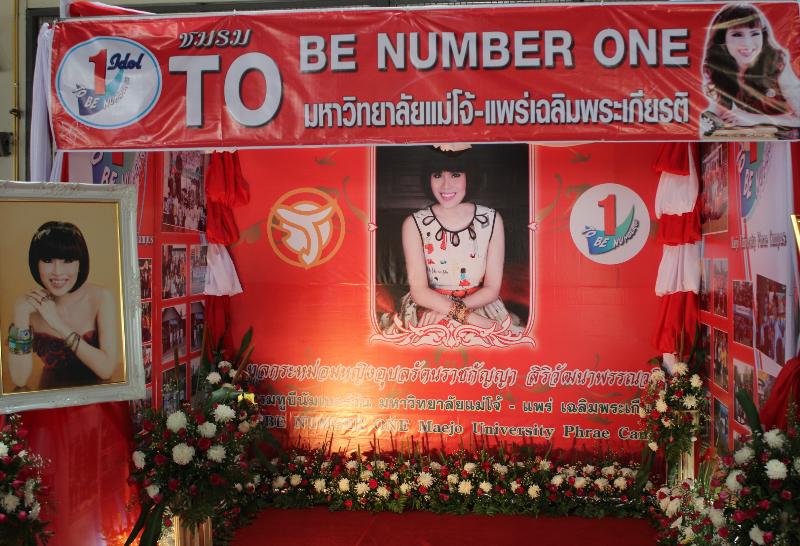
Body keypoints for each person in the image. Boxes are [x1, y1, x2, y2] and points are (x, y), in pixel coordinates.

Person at [383, 147, 521, 333]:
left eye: (455, 175)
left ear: (470, 176)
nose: (446, 185)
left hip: (477, 302)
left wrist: (452, 312)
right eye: (437, 175)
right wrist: (471, 318)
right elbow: (419, 291)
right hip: (430, 305)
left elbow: (491, 288)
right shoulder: (413, 223)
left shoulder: (492, 219)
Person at [6, 221, 120, 390]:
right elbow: (19, 379)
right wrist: (20, 315)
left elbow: (106, 370)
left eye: (67, 260)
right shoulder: (27, 306)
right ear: (36, 263)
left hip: (99, 399)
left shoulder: (101, 298)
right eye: (47, 260)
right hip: (52, 396)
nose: (58, 272)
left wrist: (57, 323)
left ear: (80, 263)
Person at [701, 3, 800, 138]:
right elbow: (717, 109)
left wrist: (754, 119)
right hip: (755, 140)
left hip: (788, 142)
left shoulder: (777, 64)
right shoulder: (723, 69)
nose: (748, 43)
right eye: (737, 34)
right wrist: (708, 118)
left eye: (755, 34)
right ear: (722, 39)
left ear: (763, 36)